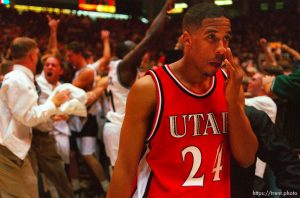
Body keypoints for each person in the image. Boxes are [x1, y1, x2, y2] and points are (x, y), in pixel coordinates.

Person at [107, 3, 258, 198]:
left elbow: (246, 158)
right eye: (211, 37)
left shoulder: (229, 85)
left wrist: (233, 104)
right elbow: (125, 169)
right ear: (187, 40)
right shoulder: (150, 89)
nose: (222, 48)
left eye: (226, 38)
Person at [103, 0, 173, 171]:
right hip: (119, 127)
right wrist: (166, 6)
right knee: (123, 178)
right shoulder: (124, 67)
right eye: (135, 51)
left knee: (131, 177)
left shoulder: (119, 68)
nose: (141, 54)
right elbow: (151, 37)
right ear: (129, 55)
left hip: (120, 126)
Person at [0, 37, 69, 197]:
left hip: (12, 147)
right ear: (32, 55)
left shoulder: (18, 77)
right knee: (27, 193)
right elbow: (28, 117)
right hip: (7, 149)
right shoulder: (18, 79)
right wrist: (53, 103)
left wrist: (52, 113)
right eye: (37, 54)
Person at [66, 40, 109, 193]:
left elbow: (70, 91)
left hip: (89, 119)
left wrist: (105, 40)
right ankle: (78, 186)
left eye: (70, 56)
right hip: (76, 119)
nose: (68, 59)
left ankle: (106, 188)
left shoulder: (88, 71)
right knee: (73, 155)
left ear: (78, 54)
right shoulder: (80, 71)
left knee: (88, 155)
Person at [29, 53, 74, 198]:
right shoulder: (35, 82)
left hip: (53, 133)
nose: (49, 67)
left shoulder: (63, 87)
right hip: (33, 133)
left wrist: (66, 114)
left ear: (60, 70)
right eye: (47, 65)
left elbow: (70, 108)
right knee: (33, 176)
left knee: (58, 172)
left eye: (53, 65)